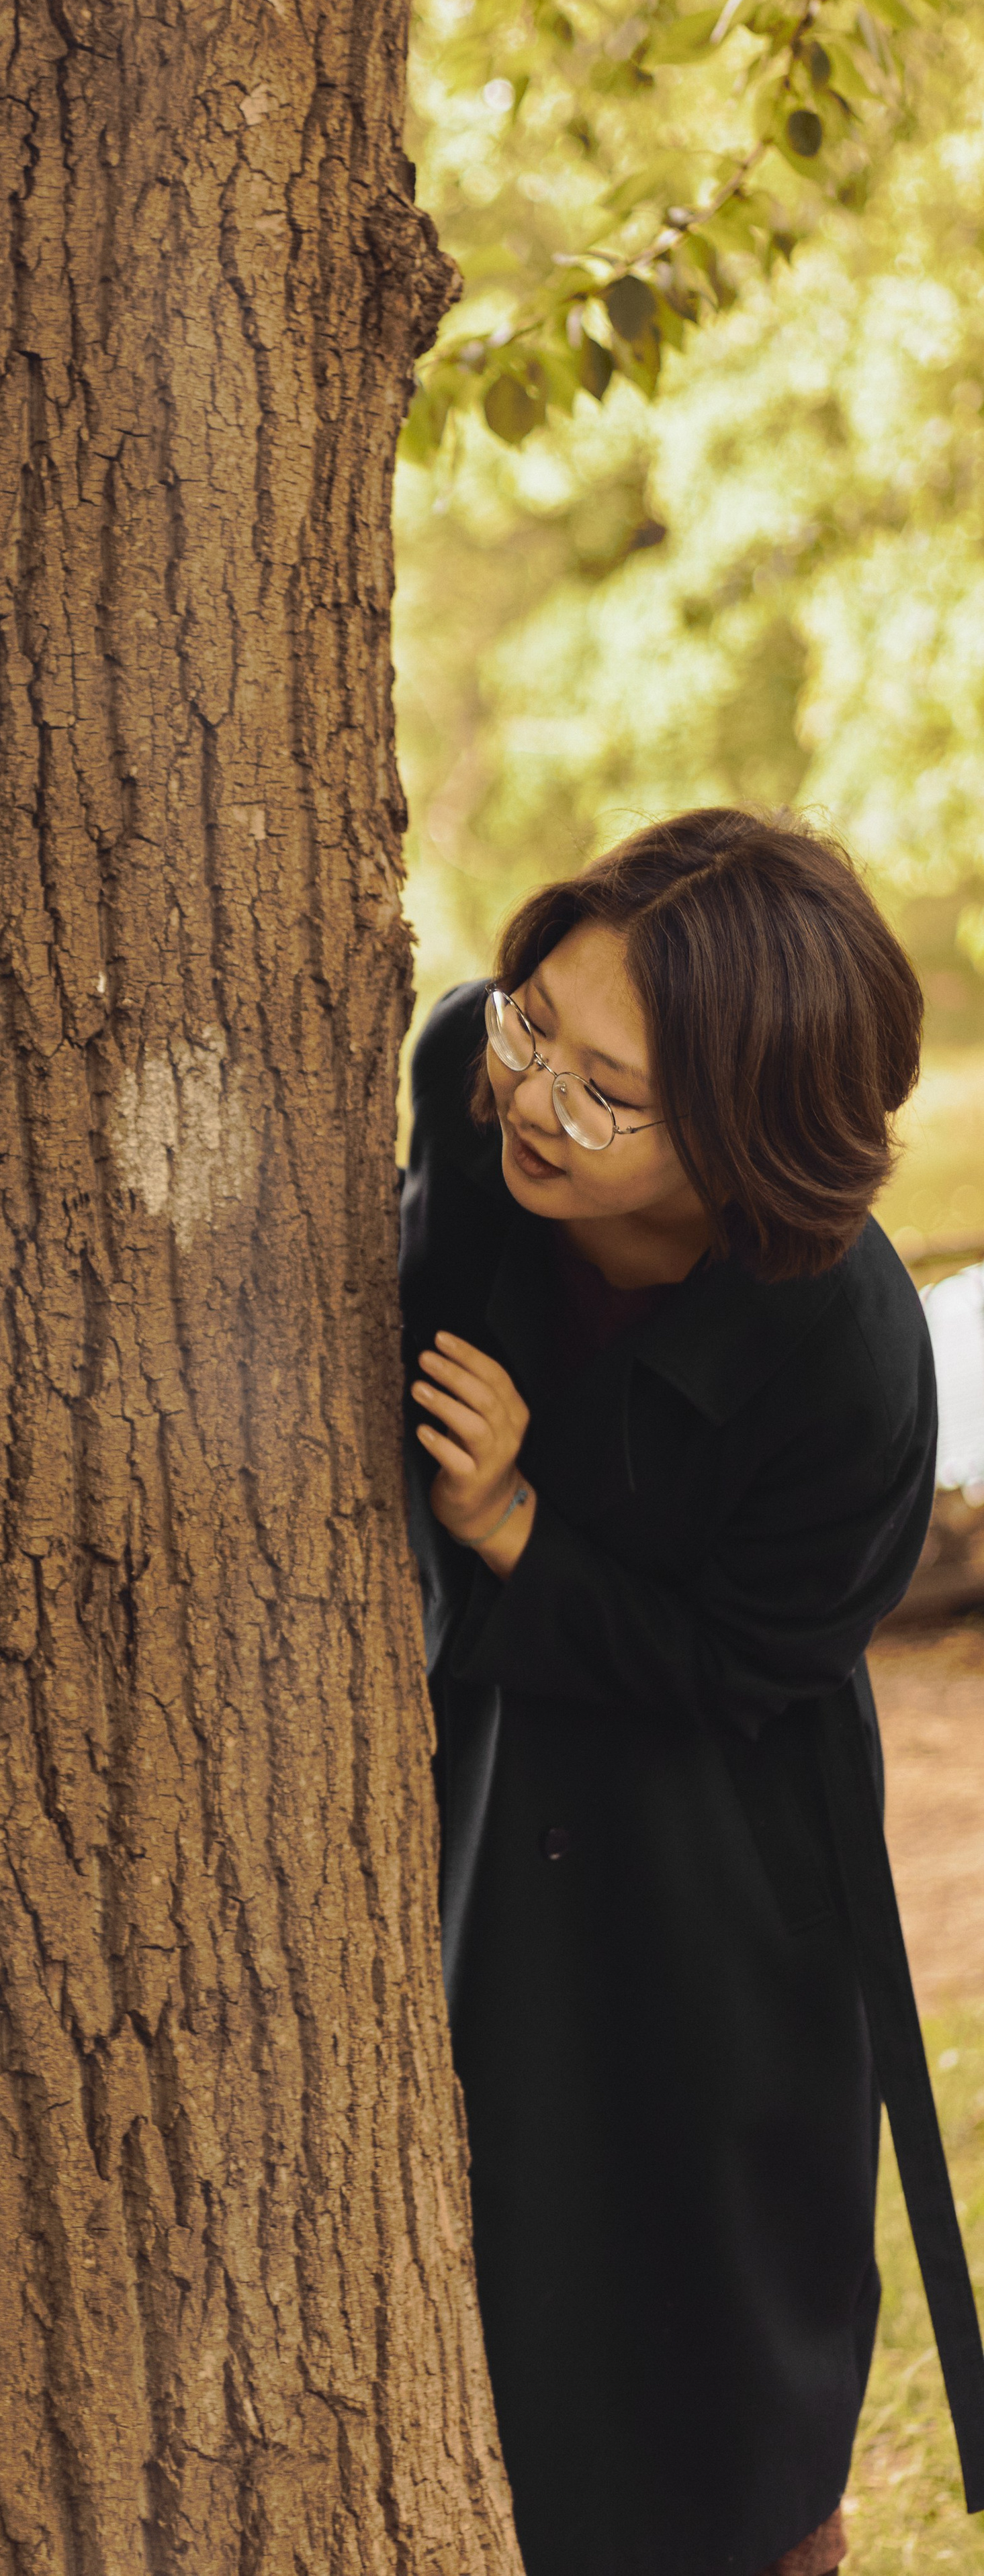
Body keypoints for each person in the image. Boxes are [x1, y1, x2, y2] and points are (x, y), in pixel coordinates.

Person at [396, 808, 984, 2576]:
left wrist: (519, 1528)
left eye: (610, 1093)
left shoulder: (852, 1369)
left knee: (721, 2344)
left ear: (742, 1143)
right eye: (533, 1032)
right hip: (483, 1807)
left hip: (723, 1863)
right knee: (507, 2297)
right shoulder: (469, 1086)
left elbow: (748, 1667)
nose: (535, 1105)